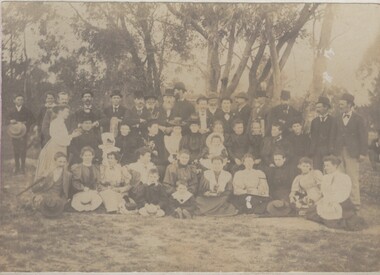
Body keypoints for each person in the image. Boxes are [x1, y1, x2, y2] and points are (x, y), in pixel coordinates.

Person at [306, 156, 366, 231]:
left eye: (328, 165)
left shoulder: (344, 177)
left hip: (341, 201)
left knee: (338, 218)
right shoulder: (325, 178)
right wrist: (326, 200)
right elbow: (325, 192)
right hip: (329, 200)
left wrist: (334, 201)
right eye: (325, 165)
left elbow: (344, 193)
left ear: (335, 166)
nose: (325, 168)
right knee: (311, 212)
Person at [334, 93, 368, 211]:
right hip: (338, 151)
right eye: (339, 104)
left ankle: (355, 203)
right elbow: (334, 135)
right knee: (340, 177)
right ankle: (342, 201)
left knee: (352, 177)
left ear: (349, 104)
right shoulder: (337, 118)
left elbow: (363, 136)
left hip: (352, 152)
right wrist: (333, 151)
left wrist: (363, 153)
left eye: (342, 104)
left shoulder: (359, 118)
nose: (340, 106)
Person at [34, 105, 81, 181]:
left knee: (60, 165)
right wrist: (72, 135)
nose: (68, 114)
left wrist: (71, 135)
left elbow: (63, 136)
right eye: (66, 112)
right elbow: (58, 137)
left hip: (60, 146)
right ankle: (53, 185)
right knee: (55, 165)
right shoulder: (56, 123)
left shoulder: (61, 122)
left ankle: (59, 184)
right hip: (56, 147)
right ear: (60, 112)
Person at [31, 152, 72, 218]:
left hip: (57, 197)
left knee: (56, 204)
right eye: (60, 161)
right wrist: (43, 179)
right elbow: (34, 189)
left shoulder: (68, 175)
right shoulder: (47, 172)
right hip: (44, 194)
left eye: (64, 162)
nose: (62, 164)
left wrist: (66, 199)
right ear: (55, 161)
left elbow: (68, 190)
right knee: (41, 201)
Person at [7, 94, 36, 175]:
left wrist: (25, 123)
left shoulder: (27, 110)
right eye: (18, 99)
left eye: (21, 100)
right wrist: (10, 121)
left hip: (23, 132)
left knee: (23, 149)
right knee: (16, 149)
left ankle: (23, 167)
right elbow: (6, 119)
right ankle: (17, 167)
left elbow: (33, 119)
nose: (20, 101)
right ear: (14, 101)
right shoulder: (11, 110)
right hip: (14, 133)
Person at [309, 96, 336, 171]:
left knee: (328, 170)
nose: (317, 109)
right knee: (317, 171)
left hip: (328, 150)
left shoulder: (333, 121)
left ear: (326, 107)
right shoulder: (314, 121)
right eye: (316, 107)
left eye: (319, 107)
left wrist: (331, 151)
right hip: (316, 151)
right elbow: (313, 136)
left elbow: (333, 136)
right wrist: (312, 150)